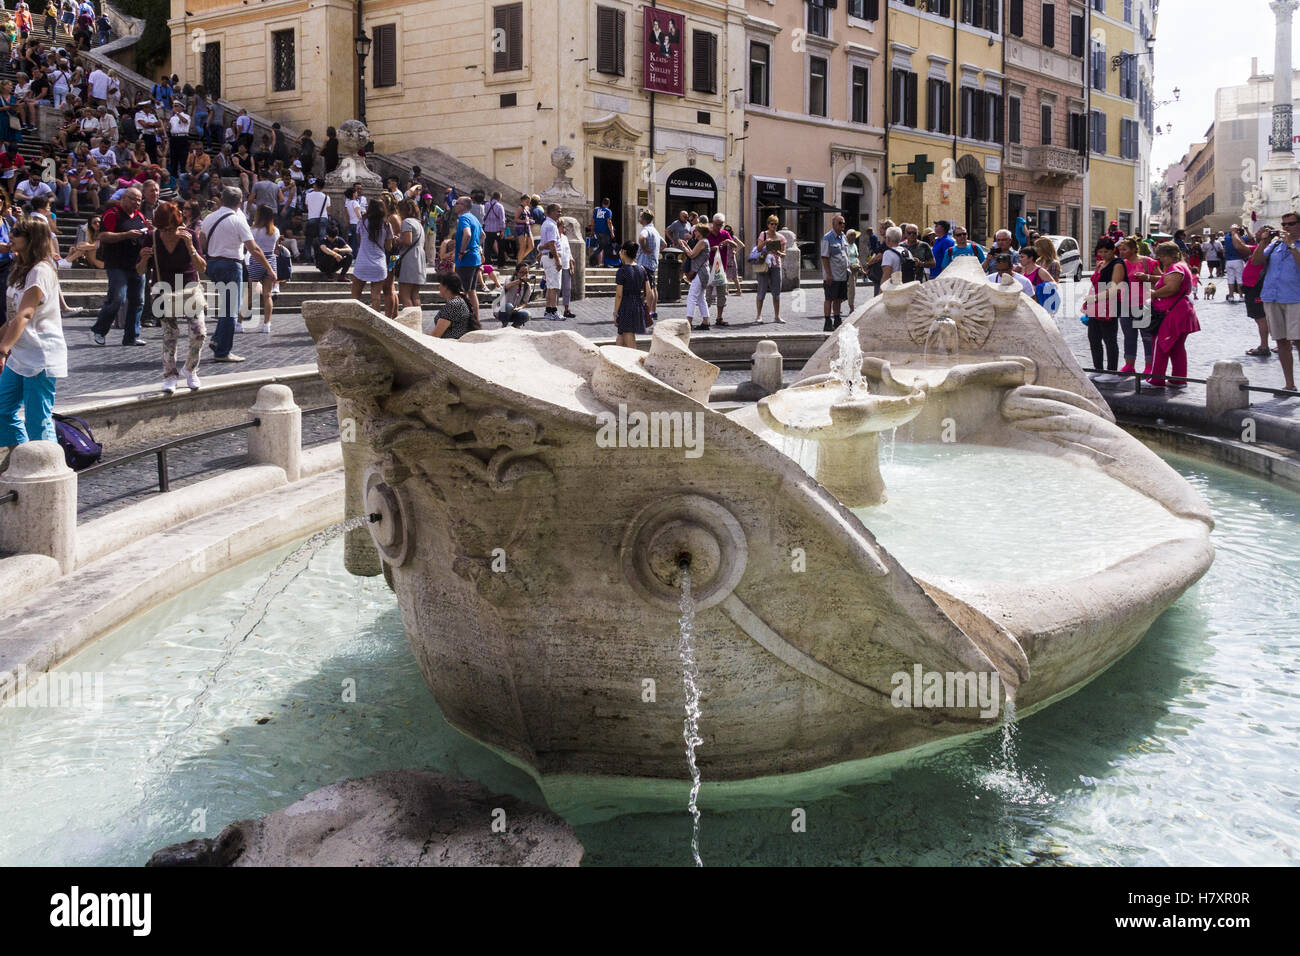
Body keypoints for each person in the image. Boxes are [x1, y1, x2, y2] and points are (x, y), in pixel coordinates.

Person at [0, 217, 62, 449]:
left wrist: (2, 350)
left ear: (31, 239)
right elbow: (12, 316)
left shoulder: (40, 271)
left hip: (40, 353)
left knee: (37, 420)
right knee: (2, 410)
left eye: (16, 232)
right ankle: (23, 459)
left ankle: (48, 470)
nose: (11, 236)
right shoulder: (20, 270)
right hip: (21, 353)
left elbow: (24, 314)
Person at [200, 185, 272, 363]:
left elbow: (201, 243)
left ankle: (217, 340)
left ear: (222, 200)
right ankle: (223, 351)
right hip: (231, 265)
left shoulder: (209, 218)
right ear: (240, 203)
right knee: (231, 310)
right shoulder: (238, 220)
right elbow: (253, 248)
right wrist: (269, 269)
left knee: (226, 306)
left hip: (212, 264)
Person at [141, 201, 205, 393]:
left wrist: (190, 246)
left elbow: (202, 268)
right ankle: (170, 376)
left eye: (172, 228)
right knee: (170, 336)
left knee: (199, 332)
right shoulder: (152, 238)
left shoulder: (190, 235)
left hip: (189, 289)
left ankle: (190, 369)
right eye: (165, 229)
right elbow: (140, 270)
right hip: (163, 290)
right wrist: (143, 258)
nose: (169, 232)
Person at [89, 185, 149, 346]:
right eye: (133, 199)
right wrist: (126, 235)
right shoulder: (112, 214)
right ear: (124, 198)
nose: (137, 203)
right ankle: (100, 330)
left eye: (139, 200)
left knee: (138, 301)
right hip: (116, 264)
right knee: (117, 298)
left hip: (136, 264)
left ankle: (131, 336)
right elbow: (103, 236)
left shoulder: (140, 217)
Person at [1251, 214, 1300, 392]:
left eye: (1291, 224)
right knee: (1281, 341)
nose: (1286, 227)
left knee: (1299, 340)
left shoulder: (1291, 243)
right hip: (1272, 297)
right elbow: (1256, 261)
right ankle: (1289, 384)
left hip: (1296, 298)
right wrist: (1263, 241)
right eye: (1284, 224)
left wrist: (1292, 245)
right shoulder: (1276, 244)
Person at [1146, 241, 1201, 389]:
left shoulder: (1175, 268)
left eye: (1162, 256)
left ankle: (1156, 379)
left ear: (1170, 255)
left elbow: (1171, 288)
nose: (1160, 259)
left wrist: (1154, 293)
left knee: (1161, 345)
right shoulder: (1182, 266)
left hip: (1172, 313)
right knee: (1177, 347)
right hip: (1182, 311)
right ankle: (1178, 379)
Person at [1115, 237, 1160, 374]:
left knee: (1147, 337)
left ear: (1134, 249)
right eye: (1120, 249)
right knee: (1129, 337)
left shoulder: (1148, 262)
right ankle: (1129, 365)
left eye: (1125, 249)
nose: (1121, 252)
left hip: (1144, 303)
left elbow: (1163, 278)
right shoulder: (1121, 264)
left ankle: (1149, 366)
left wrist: (1147, 277)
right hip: (1125, 304)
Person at [245, 203, 282, 335]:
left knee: (249, 293)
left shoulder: (253, 230)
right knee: (267, 295)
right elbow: (276, 247)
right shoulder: (275, 231)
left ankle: (238, 322)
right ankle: (266, 324)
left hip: (256, 259)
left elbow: (249, 246)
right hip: (271, 260)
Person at [350, 200, 391, 312]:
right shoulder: (387, 224)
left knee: (355, 296)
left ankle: (354, 321)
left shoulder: (362, 222)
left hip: (362, 261)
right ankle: (376, 323)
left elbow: (359, 240)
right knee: (376, 297)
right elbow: (388, 247)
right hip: (379, 263)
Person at [613, 240, 650, 347]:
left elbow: (619, 295)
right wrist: (643, 300)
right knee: (621, 334)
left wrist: (615, 313)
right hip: (638, 304)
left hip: (626, 306)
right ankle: (617, 360)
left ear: (623, 252)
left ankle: (635, 361)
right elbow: (649, 292)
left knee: (629, 339)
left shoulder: (622, 271)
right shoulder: (642, 269)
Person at [1239, 226, 1269, 358]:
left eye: (1260, 231)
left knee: (1260, 317)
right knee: (1260, 317)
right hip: (1252, 287)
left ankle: (1264, 346)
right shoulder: (1259, 246)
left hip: (1256, 286)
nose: (1257, 232)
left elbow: (1257, 261)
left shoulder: (1266, 248)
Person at [452, 194, 483, 315]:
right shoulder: (474, 218)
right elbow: (483, 235)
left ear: (464, 206)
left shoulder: (463, 218)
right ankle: (475, 319)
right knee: (472, 291)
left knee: (461, 291)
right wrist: (476, 246)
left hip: (465, 259)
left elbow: (468, 234)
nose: (455, 205)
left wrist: (462, 251)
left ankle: (460, 319)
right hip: (475, 258)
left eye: (457, 203)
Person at [394, 197, 426, 311]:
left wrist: (397, 240)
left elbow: (407, 241)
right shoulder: (419, 223)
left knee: (404, 294)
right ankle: (417, 320)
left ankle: (411, 321)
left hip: (410, 259)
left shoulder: (407, 222)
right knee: (415, 294)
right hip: (419, 257)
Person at [752, 215, 786, 324]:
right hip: (764, 265)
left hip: (776, 266)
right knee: (761, 291)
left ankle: (777, 316)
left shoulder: (781, 237)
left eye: (776, 224)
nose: (774, 226)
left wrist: (779, 252)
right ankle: (758, 316)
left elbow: (784, 254)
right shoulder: (763, 234)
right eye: (772, 224)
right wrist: (766, 242)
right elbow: (758, 248)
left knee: (776, 292)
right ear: (768, 224)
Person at [535, 202, 565, 320]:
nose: (560, 213)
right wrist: (558, 260)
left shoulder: (546, 223)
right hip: (552, 258)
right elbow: (552, 245)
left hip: (547, 257)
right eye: (558, 211)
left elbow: (547, 244)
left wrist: (542, 249)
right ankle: (553, 311)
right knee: (554, 287)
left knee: (550, 285)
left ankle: (549, 310)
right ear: (552, 212)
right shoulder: (552, 225)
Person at [820, 213, 850, 330]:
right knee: (829, 298)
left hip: (842, 275)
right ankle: (827, 322)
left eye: (843, 223)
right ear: (833, 224)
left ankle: (837, 320)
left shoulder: (843, 237)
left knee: (838, 299)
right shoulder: (827, 238)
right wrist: (828, 274)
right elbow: (824, 257)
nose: (842, 225)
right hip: (832, 275)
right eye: (840, 223)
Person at [429, 272, 478, 339]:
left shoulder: (453, 305)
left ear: (446, 287)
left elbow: (436, 335)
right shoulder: (459, 300)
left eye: (440, 284)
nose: (439, 287)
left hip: (449, 344)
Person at [682, 222, 712, 331]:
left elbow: (691, 255)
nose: (695, 232)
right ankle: (706, 321)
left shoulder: (702, 241)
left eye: (697, 230)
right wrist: (685, 246)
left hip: (700, 272)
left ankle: (688, 322)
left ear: (700, 232)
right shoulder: (704, 241)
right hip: (704, 271)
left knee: (692, 297)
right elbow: (693, 254)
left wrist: (683, 246)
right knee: (700, 297)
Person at [635, 210, 661, 323]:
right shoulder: (655, 230)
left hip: (644, 263)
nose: (639, 219)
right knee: (653, 288)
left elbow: (641, 238)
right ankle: (653, 311)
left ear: (644, 219)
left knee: (647, 289)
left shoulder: (646, 230)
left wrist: (645, 249)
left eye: (640, 217)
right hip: (653, 263)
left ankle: (647, 313)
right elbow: (663, 243)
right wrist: (656, 251)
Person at [1018, 246, 1058, 313]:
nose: (1020, 259)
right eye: (1020, 257)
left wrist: (1037, 288)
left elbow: (1054, 285)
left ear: (1030, 258)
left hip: (1038, 307)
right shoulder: (1022, 270)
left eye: (1022, 257)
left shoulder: (1040, 271)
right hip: (1025, 306)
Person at [493, 262, 532, 328]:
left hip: (515, 311)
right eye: (522, 272)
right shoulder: (510, 279)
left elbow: (525, 302)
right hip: (502, 310)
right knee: (509, 306)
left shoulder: (527, 286)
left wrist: (519, 308)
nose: (524, 275)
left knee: (527, 315)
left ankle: (514, 327)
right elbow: (507, 286)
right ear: (516, 272)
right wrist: (520, 280)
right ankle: (504, 326)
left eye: (526, 273)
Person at [590, 196, 615, 266]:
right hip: (605, 232)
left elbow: (593, 221)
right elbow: (609, 222)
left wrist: (592, 231)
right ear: (608, 203)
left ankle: (593, 258)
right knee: (606, 247)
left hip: (597, 232)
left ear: (602, 203)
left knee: (601, 247)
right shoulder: (608, 211)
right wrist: (612, 232)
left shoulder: (597, 210)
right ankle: (606, 263)